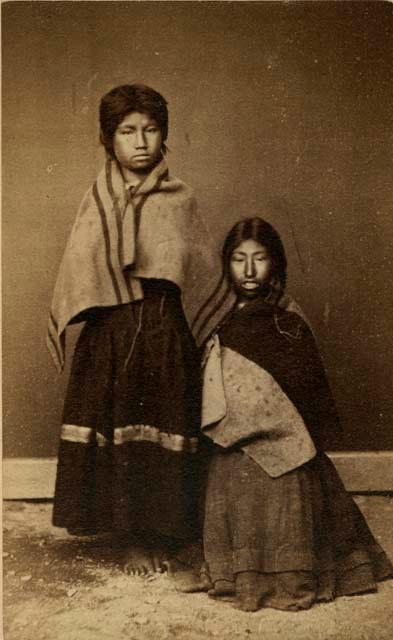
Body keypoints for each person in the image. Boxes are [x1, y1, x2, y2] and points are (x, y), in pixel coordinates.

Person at [47, 83, 213, 575]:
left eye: (151, 129)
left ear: (164, 136)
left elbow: (200, 271)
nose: (140, 142)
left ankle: (163, 532)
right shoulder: (97, 201)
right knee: (120, 430)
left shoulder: (179, 199)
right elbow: (81, 268)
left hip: (164, 329)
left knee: (163, 429)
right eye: (127, 132)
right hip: (111, 334)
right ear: (108, 140)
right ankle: (131, 538)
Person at [195, 217, 392, 611]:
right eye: (238, 259)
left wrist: (276, 429)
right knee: (230, 475)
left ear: (276, 264)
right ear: (226, 264)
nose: (249, 271)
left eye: (260, 259)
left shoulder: (290, 322)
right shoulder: (214, 322)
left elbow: (309, 399)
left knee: (292, 482)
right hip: (230, 442)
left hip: (289, 445)